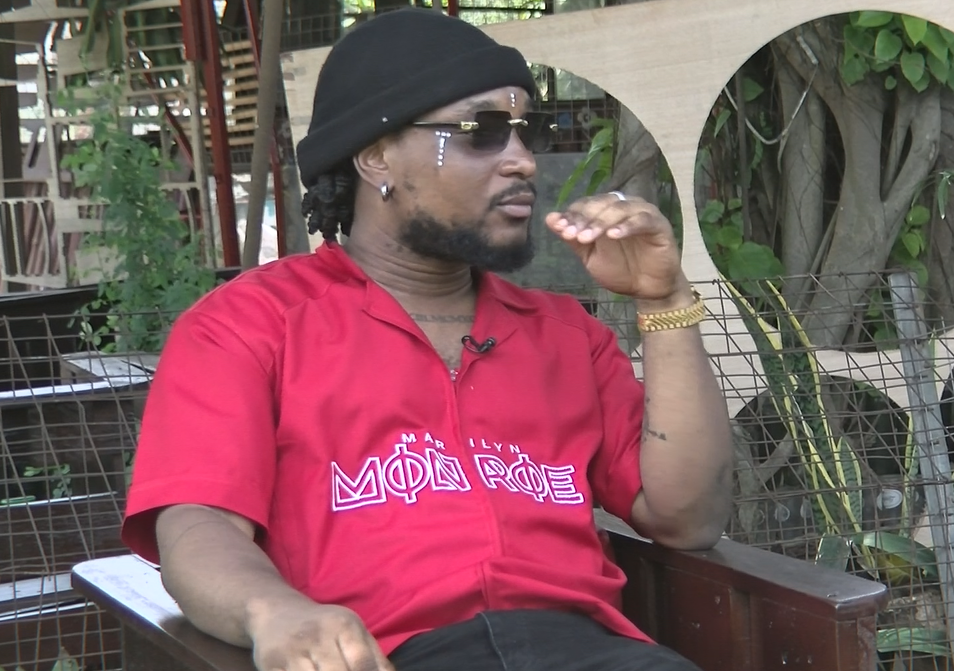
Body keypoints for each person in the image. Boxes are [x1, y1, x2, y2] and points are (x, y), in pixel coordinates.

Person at [121, 8, 733, 671]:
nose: (523, 161)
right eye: (482, 133)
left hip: (589, 653)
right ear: (376, 157)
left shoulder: (565, 335)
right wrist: (271, 610)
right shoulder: (247, 327)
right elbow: (198, 524)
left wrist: (663, 301)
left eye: (527, 131)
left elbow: (685, 519)